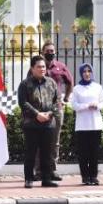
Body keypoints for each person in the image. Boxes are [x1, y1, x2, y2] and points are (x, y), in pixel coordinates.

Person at [17, 55, 60, 188]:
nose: (42, 69)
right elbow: (23, 103)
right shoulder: (25, 84)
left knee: (47, 153)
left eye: (43, 66)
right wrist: (37, 114)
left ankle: (46, 178)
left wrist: (49, 113)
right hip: (31, 124)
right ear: (32, 68)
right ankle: (29, 178)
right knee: (31, 152)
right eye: (39, 67)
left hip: (48, 124)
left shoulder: (51, 83)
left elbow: (57, 101)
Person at [33, 42, 73, 181]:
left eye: (52, 50)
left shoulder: (61, 67)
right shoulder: (37, 67)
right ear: (42, 52)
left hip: (56, 109)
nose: (51, 52)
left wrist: (66, 98)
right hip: (40, 110)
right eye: (48, 51)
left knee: (55, 142)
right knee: (39, 141)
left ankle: (52, 170)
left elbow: (70, 82)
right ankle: (39, 171)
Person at [71, 63, 103, 185]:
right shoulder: (76, 89)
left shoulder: (97, 87)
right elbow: (74, 105)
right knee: (83, 153)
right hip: (82, 125)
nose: (87, 74)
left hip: (95, 124)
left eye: (89, 71)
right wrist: (87, 106)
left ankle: (94, 176)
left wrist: (97, 106)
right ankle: (85, 176)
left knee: (94, 152)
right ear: (81, 73)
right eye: (84, 71)